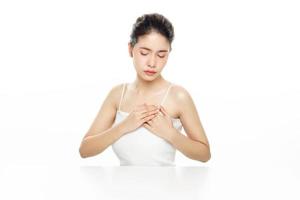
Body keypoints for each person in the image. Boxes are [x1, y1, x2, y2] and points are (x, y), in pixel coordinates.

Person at [79, 13, 211, 166]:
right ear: (130, 49)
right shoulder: (118, 95)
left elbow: (204, 154)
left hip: (167, 188)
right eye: (144, 53)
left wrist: (170, 134)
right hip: (120, 188)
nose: (152, 63)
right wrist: (124, 126)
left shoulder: (178, 96)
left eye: (161, 55)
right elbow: (85, 150)